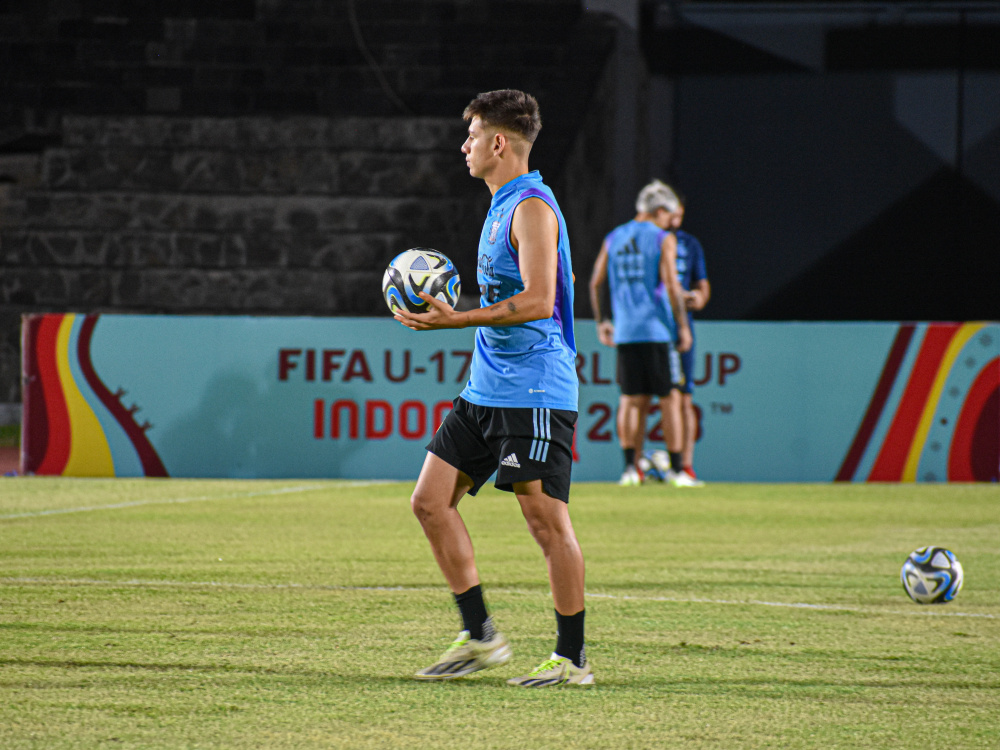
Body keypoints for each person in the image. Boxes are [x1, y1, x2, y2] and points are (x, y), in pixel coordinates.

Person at [393, 89, 593, 688]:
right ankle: (481, 637)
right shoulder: (501, 203)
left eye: (473, 134)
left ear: (499, 143)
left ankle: (572, 659)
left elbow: (536, 300)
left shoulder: (531, 207)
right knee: (429, 502)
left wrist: (453, 319)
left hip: (534, 389)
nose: (466, 145)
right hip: (486, 387)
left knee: (544, 519)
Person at [588, 180, 696, 487]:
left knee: (630, 401)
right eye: (669, 215)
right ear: (659, 211)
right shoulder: (663, 238)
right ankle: (676, 470)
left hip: (625, 330)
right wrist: (683, 327)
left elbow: (596, 282)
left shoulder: (614, 237)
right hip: (657, 330)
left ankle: (629, 470)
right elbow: (672, 286)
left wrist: (602, 320)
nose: (671, 222)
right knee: (670, 398)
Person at [669, 194, 711, 484]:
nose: (675, 219)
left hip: (681, 328)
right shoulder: (647, 240)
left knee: (684, 399)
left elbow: (703, 286)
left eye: (679, 213)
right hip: (651, 328)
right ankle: (634, 467)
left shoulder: (689, 244)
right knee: (639, 399)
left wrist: (698, 298)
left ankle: (686, 466)